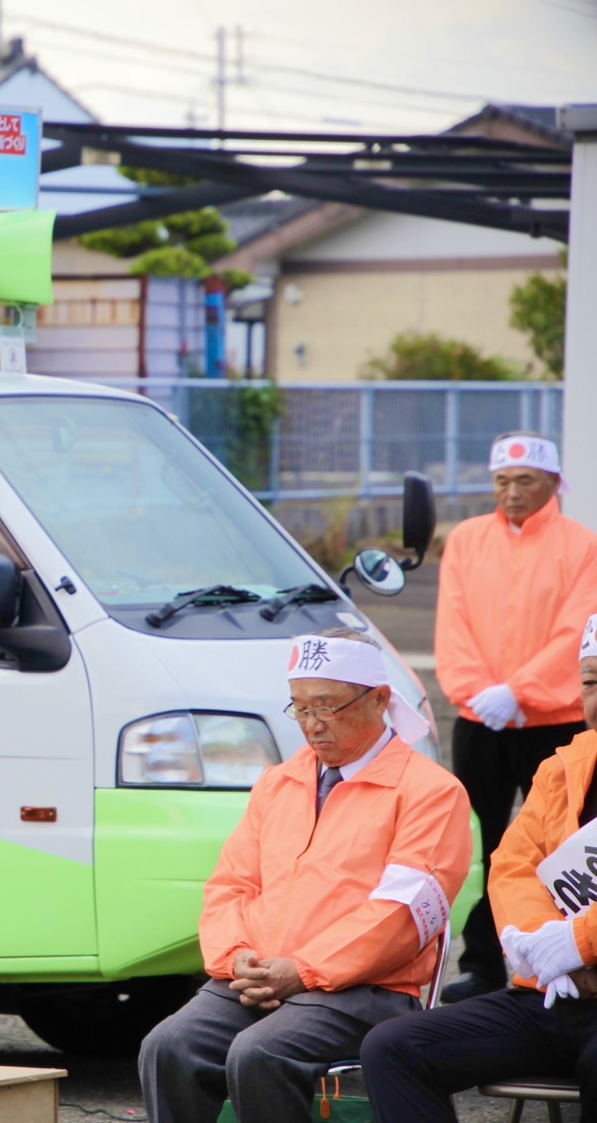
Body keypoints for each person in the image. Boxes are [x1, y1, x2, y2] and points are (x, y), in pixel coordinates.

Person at [138, 628, 473, 1123]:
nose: (313, 725)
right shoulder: (280, 781)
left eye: (328, 707)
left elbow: (399, 918)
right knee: (166, 1046)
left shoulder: (430, 792)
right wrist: (238, 959)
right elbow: (231, 884)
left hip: (368, 990)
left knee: (259, 1054)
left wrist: (304, 971)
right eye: (300, 708)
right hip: (263, 975)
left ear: (379, 700)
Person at [362, 613, 597, 1122]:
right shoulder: (565, 767)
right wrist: (549, 945)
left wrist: (580, 941)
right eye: (591, 681)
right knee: (394, 1048)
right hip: (558, 993)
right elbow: (514, 866)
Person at [436, 431, 597, 1002]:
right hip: (479, 718)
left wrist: (520, 690)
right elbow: (453, 624)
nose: (511, 492)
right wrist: (476, 690)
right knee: (482, 843)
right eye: (502, 481)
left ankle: (559, 956)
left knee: (560, 846)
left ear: (553, 484)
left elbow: (575, 632)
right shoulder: (466, 540)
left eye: (525, 481)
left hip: (552, 720)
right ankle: (482, 963)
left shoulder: (581, 545)